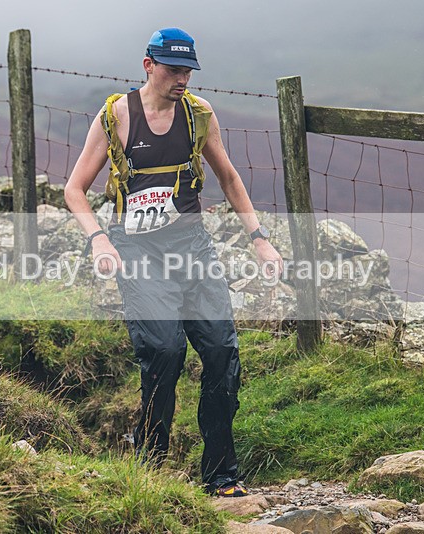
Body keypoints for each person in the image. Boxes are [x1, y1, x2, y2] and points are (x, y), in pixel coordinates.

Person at [64, 27, 283, 497]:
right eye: (173, 69)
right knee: (164, 352)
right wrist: (100, 241)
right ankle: (150, 467)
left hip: (192, 247)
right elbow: (74, 189)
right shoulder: (116, 116)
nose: (182, 78)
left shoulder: (199, 115)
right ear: (149, 65)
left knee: (222, 353)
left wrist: (259, 240)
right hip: (137, 250)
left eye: (188, 70)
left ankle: (222, 475)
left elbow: (228, 176)